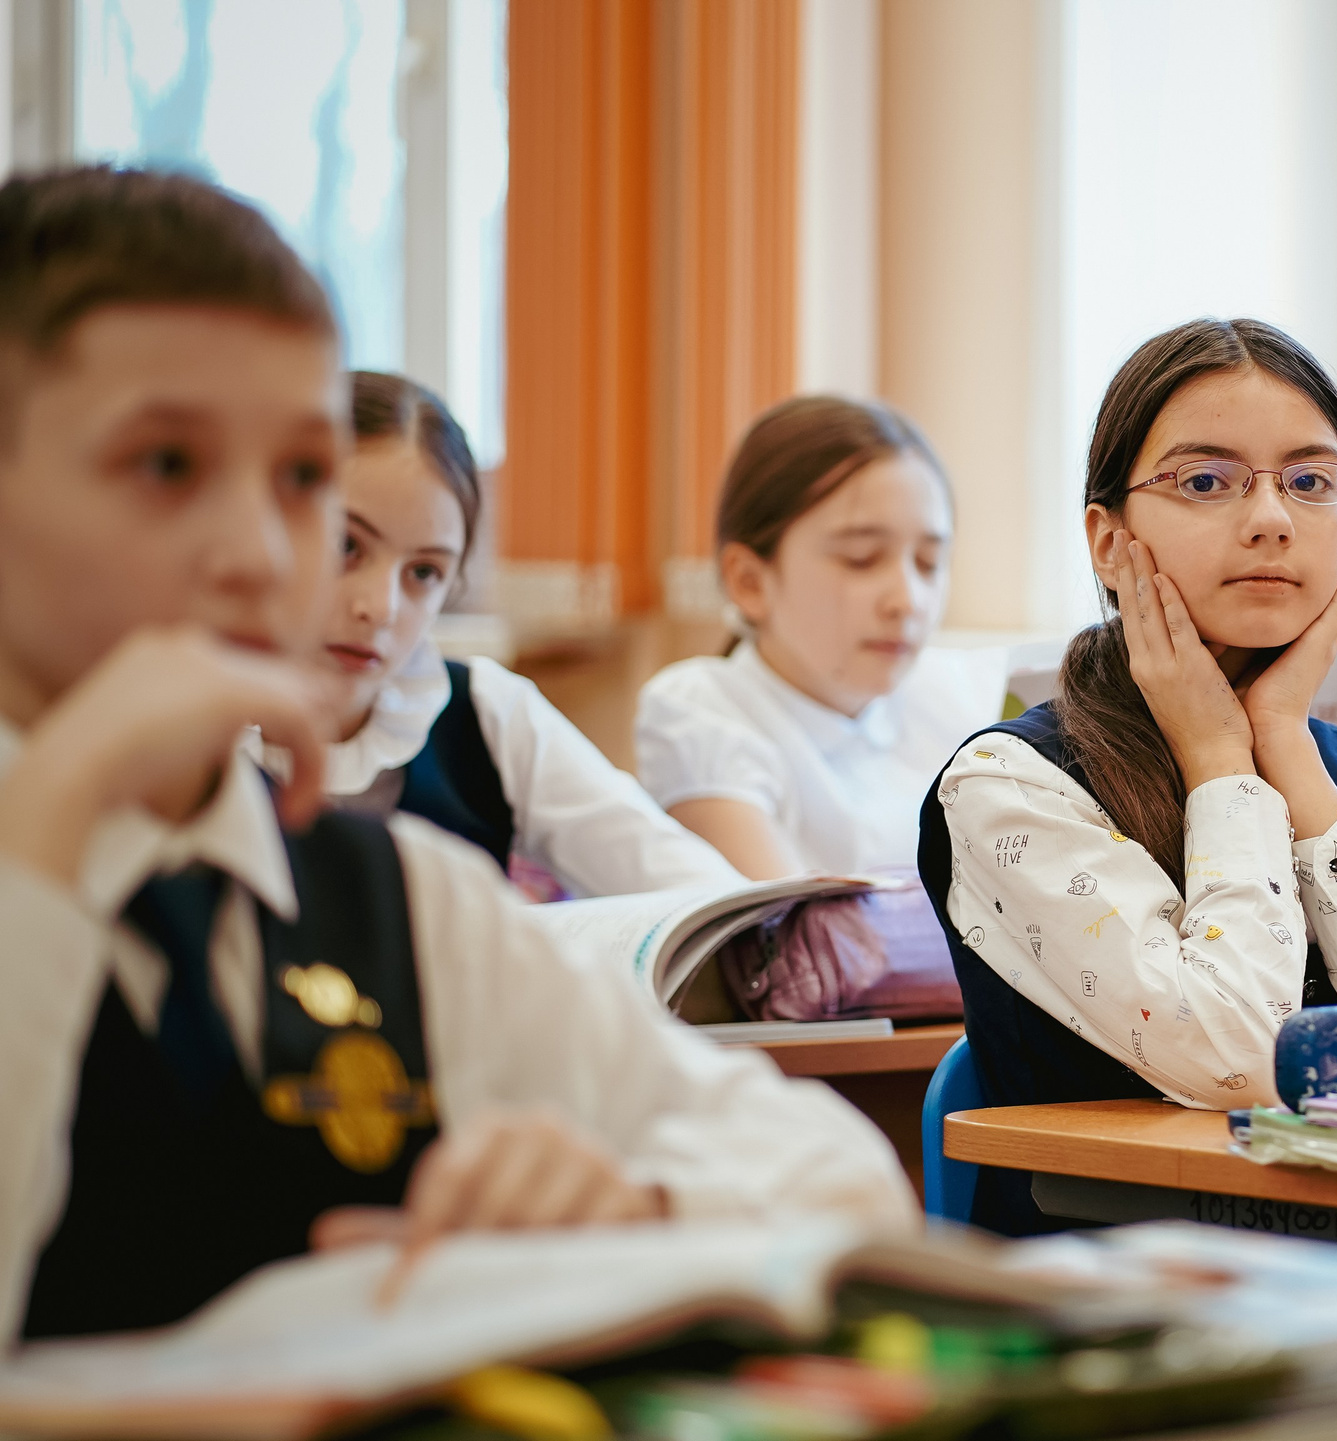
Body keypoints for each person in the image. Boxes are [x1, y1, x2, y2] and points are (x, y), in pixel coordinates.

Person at [0, 166, 914, 1345]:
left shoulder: (399, 897)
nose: (259, 552)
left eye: (300, 479)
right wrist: (52, 819)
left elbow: (852, 1184)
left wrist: (640, 1204)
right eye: (167, 465)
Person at [918, 318, 1337, 1234]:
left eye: (1310, 481)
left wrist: (1281, 740)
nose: (1271, 518)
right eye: (1206, 481)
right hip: (1116, 1288)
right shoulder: (1010, 784)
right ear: (1108, 540)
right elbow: (1241, 1058)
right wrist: (1219, 759)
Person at [317, 370, 743, 897]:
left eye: (424, 572)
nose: (380, 608)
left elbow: (686, 883)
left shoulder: (484, 714)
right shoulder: (216, 733)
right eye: (345, 546)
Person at [635, 396, 998, 883]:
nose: (908, 600)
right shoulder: (701, 712)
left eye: (928, 563)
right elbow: (794, 923)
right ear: (749, 582)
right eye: (861, 558)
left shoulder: (961, 693)